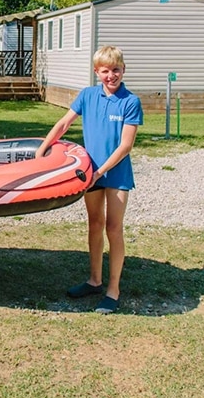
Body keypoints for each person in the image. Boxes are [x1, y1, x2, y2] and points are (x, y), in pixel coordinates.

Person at [35, 45, 143, 314]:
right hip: (90, 172)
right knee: (95, 224)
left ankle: (113, 290)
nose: (111, 76)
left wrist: (99, 171)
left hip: (115, 174)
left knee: (113, 228)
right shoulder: (87, 95)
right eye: (105, 71)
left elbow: (125, 146)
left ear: (123, 70)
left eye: (116, 70)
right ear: (97, 72)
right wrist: (42, 149)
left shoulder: (130, 101)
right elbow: (63, 123)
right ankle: (94, 280)